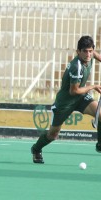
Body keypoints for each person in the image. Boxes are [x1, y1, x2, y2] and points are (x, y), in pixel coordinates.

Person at [31, 35, 101, 164]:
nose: (88, 54)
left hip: (81, 98)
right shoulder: (76, 66)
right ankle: (36, 149)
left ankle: (100, 145)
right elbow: (73, 91)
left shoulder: (90, 56)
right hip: (65, 103)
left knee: (100, 113)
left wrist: (95, 55)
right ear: (78, 52)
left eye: (90, 51)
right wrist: (94, 86)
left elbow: (96, 55)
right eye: (85, 51)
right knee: (53, 134)